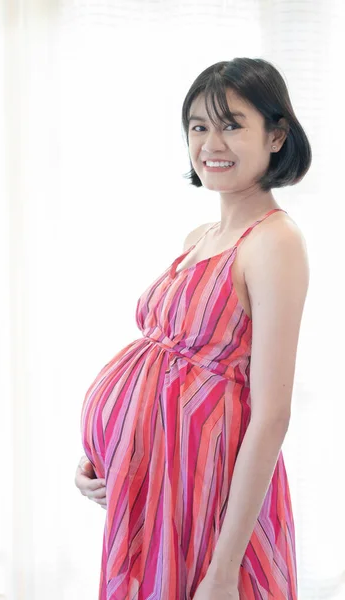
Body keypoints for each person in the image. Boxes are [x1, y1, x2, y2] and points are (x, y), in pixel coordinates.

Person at [75, 57, 311, 599]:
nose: (211, 143)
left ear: (276, 136)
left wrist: (225, 567)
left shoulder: (274, 242)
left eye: (232, 124)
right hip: (157, 495)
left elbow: (271, 415)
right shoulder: (198, 237)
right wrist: (105, 458)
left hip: (210, 503)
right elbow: (161, 376)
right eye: (199, 127)